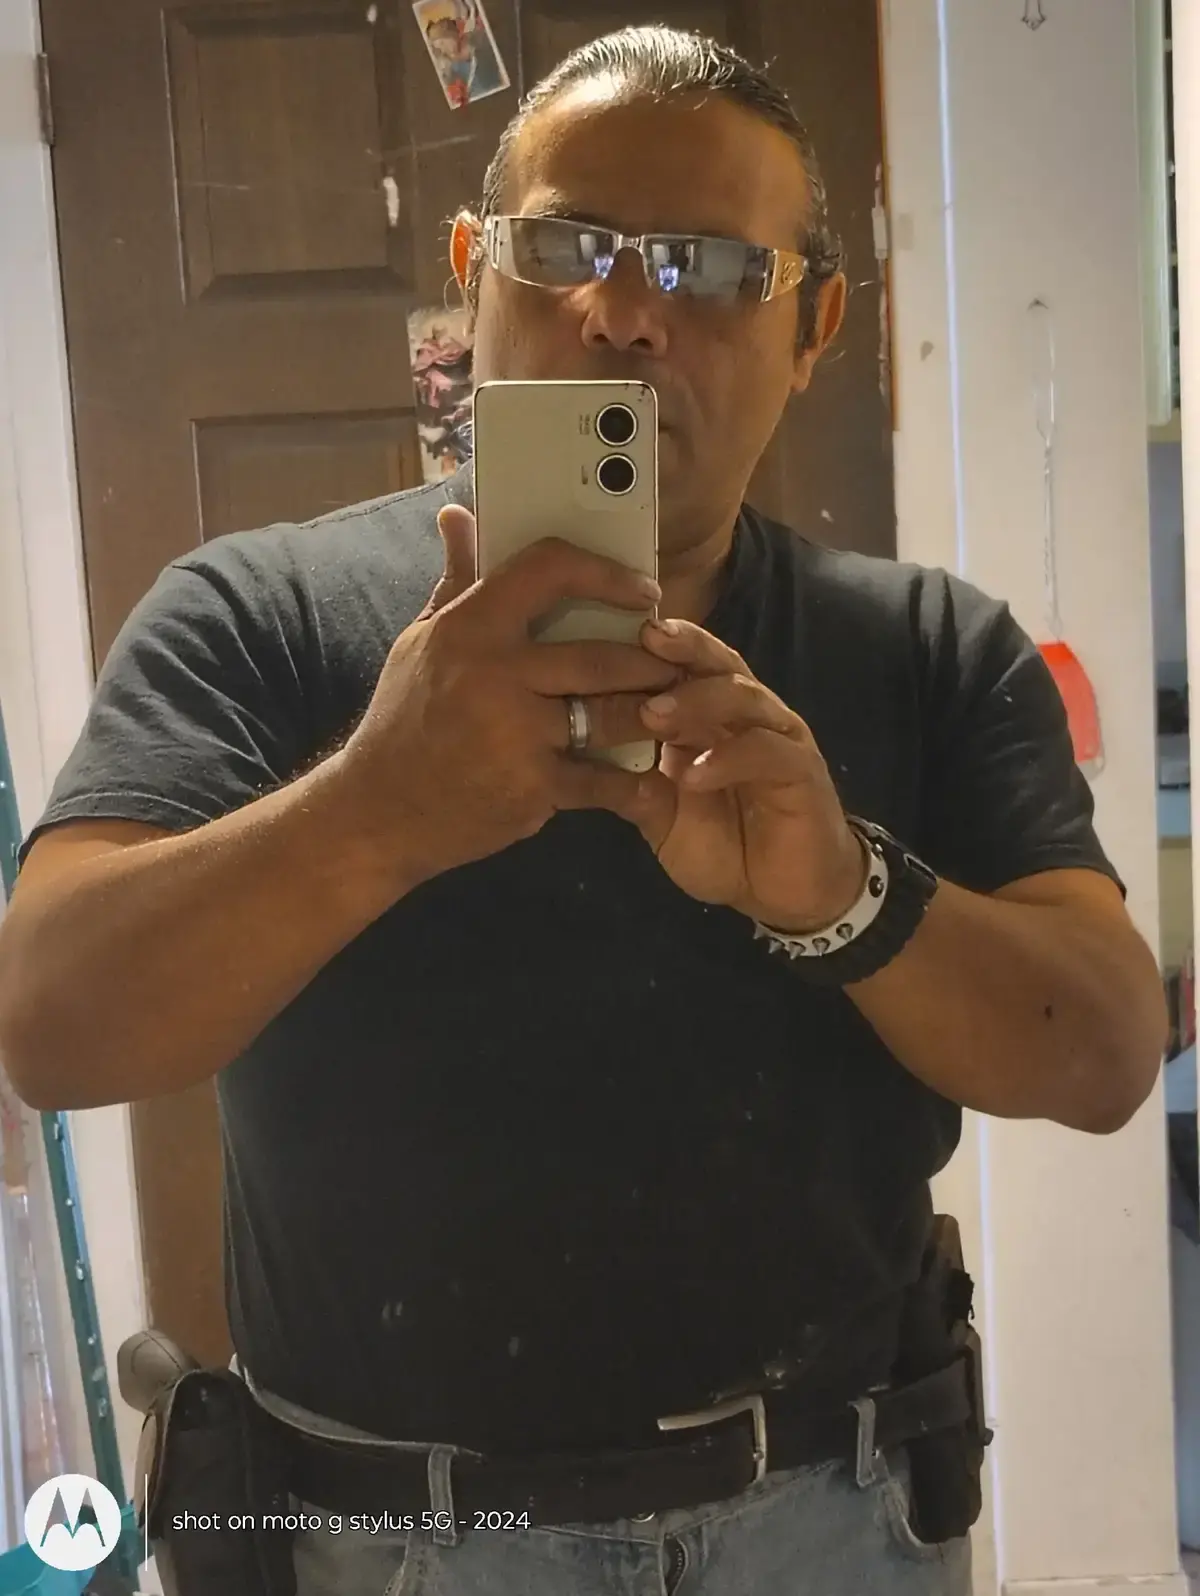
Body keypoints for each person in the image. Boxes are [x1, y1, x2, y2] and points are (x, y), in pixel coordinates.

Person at [0, 25, 1166, 1596]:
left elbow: (1104, 1056)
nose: (623, 312)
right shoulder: (257, 621)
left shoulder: (927, 650)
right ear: (473, 272)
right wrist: (375, 810)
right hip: (398, 1542)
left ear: (814, 327)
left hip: (834, 1520)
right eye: (565, 249)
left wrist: (846, 895)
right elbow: (50, 1026)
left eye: (711, 268)